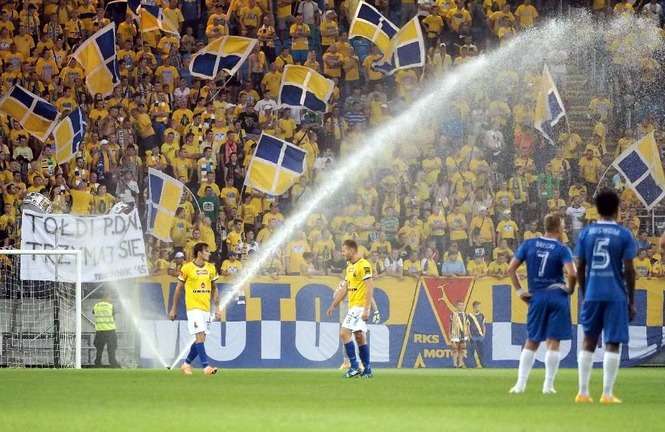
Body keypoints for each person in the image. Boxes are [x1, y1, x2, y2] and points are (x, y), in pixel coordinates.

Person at [575, 190, 637, 404]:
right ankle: (607, 394)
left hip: (592, 293)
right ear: (617, 209)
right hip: (615, 295)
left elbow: (580, 267)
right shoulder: (624, 234)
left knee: (589, 340)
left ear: (597, 209)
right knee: (613, 342)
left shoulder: (586, 233)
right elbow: (629, 270)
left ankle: (583, 393)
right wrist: (631, 300)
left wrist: (585, 293)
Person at [506, 213, 577, 394]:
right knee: (554, 341)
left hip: (536, 297)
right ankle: (548, 386)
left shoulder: (529, 244)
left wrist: (519, 291)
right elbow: (572, 273)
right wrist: (570, 288)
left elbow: (511, 268)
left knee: (532, 340)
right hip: (557, 296)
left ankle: (520, 385)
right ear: (559, 228)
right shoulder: (562, 249)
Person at [169, 242, 220, 376]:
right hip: (193, 308)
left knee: (201, 339)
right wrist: (174, 308)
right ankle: (206, 367)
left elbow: (215, 288)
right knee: (199, 335)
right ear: (199, 253)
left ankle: (186, 364)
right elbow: (178, 288)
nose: (209, 253)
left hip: (206, 308)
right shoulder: (187, 268)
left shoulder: (211, 268)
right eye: (206, 251)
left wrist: (217, 308)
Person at [326, 239, 374, 378]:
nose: (342, 253)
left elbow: (370, 287)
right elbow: (345, 288)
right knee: (359, 337)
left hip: (360, 306)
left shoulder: (364, 265)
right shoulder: (350, 267)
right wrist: (334, 304)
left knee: (344, 333)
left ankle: (354, 367)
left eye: (344, 250)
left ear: (352, 250)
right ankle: (367, 369)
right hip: (354, 306)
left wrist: (367, 309)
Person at [93, 292, 120, 368]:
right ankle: (113, 363)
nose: (111, 299)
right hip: (110, 330)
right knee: (111, 348)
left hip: (99, 330)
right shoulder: (110, 306)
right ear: (107, 297)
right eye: (110, 297)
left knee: (99, 349)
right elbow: (113, 317)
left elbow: (93, 312)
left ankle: (97, 363)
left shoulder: (96, 306)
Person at [450, 301, 469, 368]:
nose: (461, 307)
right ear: (456, 306)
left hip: (463, 334)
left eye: (462, 305)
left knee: (462, 349)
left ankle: (460, 363)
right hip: (455, 334)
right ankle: (455, 364)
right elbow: (450, 325)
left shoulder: (465, 315)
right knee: (455, 349)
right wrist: (450, 335)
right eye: (459, 305)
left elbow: (467, 325)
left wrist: (467, 334)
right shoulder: (453, 314)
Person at [467, 301, 486, 368]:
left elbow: (483, 325)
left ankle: (482, 364)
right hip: (473, 336)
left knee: (481, 351)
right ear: (474, 307)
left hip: (480, 336)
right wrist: (469, 335)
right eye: (477, 306)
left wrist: (483, 334)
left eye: (479, 306)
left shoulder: (482, 315)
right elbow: (468, 326)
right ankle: (474, 365)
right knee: (473, 351)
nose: (478, 308)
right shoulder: (470, 316)